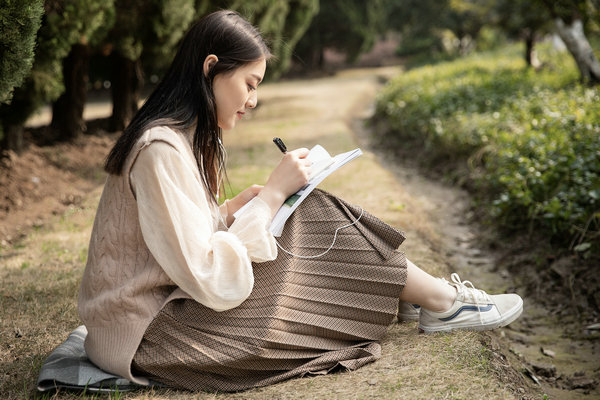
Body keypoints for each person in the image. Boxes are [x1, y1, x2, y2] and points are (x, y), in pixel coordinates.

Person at [78, 10, 523, 392]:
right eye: (249, 84)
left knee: (302, 207)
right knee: (305, 212)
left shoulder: (177, 139)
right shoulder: (160, 147)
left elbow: (174, 237)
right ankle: (438, 301)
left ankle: (424, 297)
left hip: (162, 318)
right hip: (152, 337)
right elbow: (209, 276)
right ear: (210, 68)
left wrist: (234, 208)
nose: (252, 101)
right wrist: (270, 196)